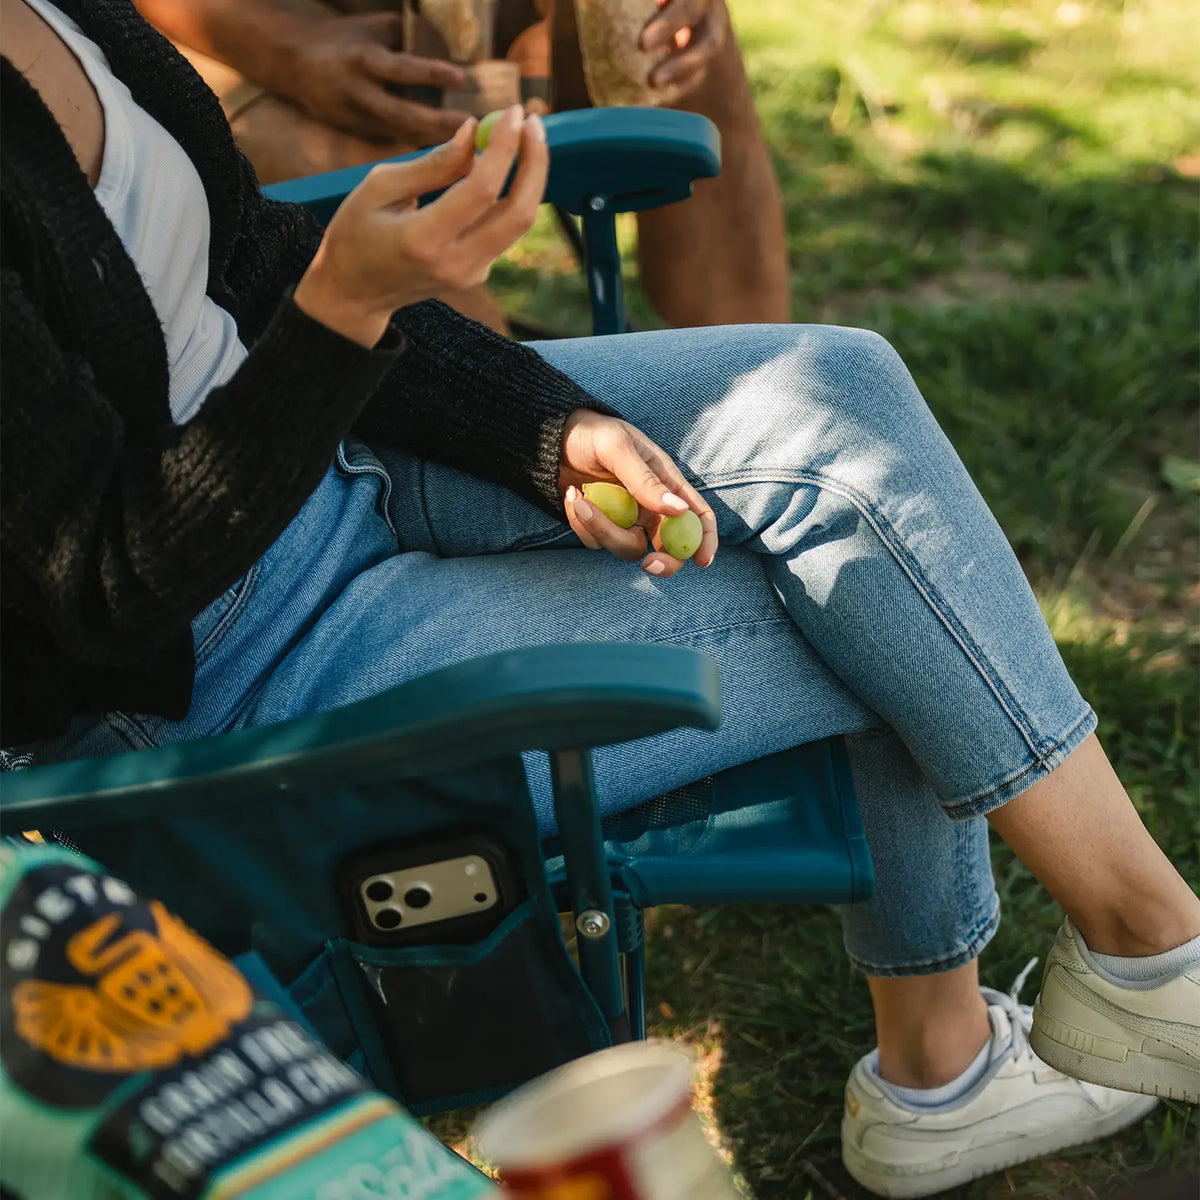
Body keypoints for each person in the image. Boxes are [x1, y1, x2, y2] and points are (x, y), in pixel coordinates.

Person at [1, 3, 1197, 1198]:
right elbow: (95, 593)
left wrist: (543, 430)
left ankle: (1075, 996)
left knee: (836, 393)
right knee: (890, 610)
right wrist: (344, 312)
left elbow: (248, 258)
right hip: (223, 670)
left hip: (330, 451)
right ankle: (1071, 1002)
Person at [130, 0, 790, 333]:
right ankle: (522, 436)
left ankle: (771, 397)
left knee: (670, 45)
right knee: (429, 276)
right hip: (245, 23)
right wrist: (283, 46)